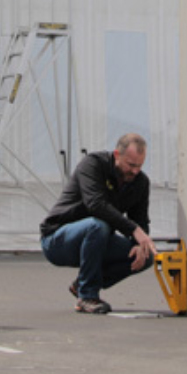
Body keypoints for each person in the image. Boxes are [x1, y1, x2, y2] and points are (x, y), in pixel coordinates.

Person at [40, 132, 157, 314]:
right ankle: (87, 296)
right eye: (131, 165)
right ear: (117, 155)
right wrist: (134, 230)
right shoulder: (93, 164)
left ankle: (82, 284)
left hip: (96, 241)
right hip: (58, 240)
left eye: (139, 166)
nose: (134, 171)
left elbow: (140, 221)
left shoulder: (140, 182)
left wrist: (138, 244)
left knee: (146, 255)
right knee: (97, 225)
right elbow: (95, 204)